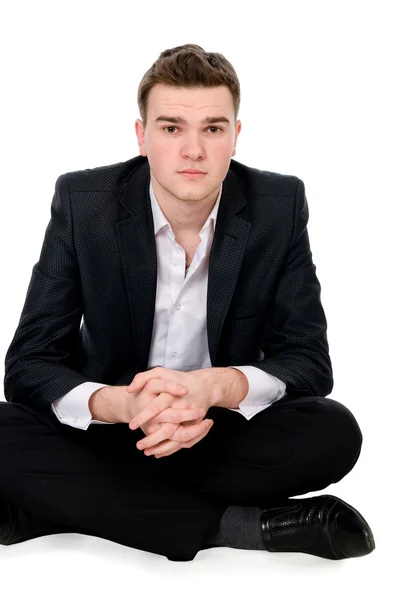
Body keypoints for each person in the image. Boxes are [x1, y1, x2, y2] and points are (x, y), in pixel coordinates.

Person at [0, 43, 375, 562]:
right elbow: (28, 366)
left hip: (217, 434)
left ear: (235, 137)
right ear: (142, 136)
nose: (193, 150)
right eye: (172, 128)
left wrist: (213, 387)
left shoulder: (278, 206)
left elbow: (308, 362)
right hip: (111, 432)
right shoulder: (85, 202)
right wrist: (123, 404)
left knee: (333, 432)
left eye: (213, 129)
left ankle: (51, 506)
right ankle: (240, 527)